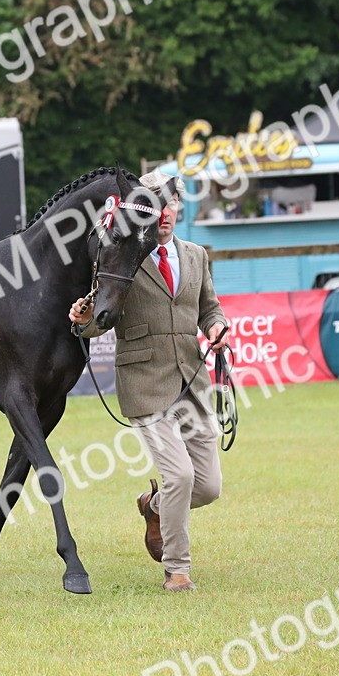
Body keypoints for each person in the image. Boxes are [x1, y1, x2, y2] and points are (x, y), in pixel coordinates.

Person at [68, 171, 230, 592]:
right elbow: (98, 322)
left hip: (192, 383)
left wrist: (216, 328)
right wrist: (82, 323)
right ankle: (177, 571)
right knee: (180, 476)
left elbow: (210, 309)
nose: (164, 213)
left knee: (208, 486)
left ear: (177, 208)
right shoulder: (124, 257)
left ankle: (153, 505)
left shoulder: (196, 255)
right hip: (143, 382)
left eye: (170, 204)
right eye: (154, 205)